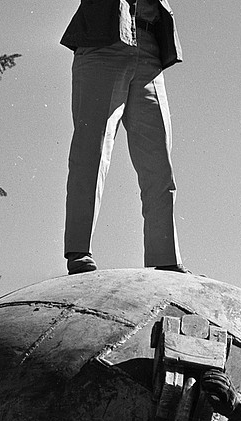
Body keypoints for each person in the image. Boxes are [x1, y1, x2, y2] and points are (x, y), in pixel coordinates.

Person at [59, 0, 188, 275]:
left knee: (159, 164)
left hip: (149, 47)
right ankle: (79, 251)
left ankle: (166, 258)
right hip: (102, 42)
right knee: (91, 152)